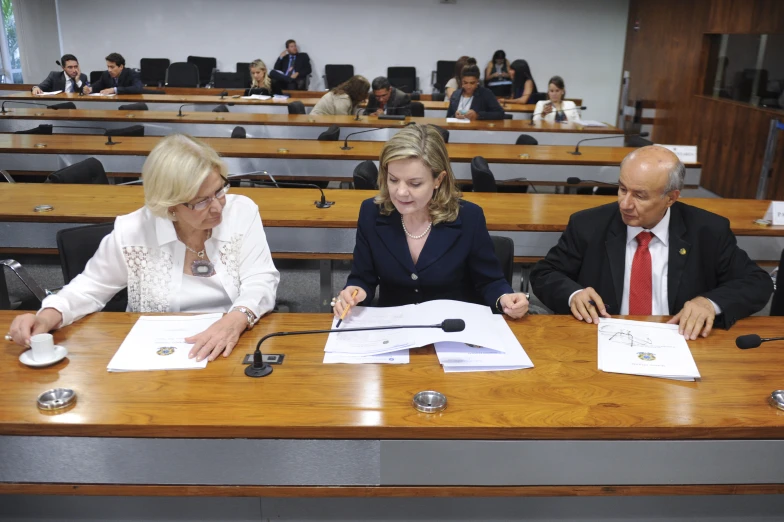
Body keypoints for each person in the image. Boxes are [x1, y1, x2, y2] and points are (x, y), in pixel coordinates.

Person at [6, 134, 280, 362]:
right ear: (169, 205)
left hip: (235, 339)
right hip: (157, 352)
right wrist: (46, 316)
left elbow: (261, 279)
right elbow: (88, 288)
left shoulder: (241, 210)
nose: (218, 205)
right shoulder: (133, 230)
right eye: (201, 201)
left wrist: (236, 318)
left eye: (220, 190)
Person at [530, 146, 773, 339]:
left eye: (639, 195)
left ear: (671, 198)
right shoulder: (588, 225)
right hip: (601, 341)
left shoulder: (708, 231)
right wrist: (574, 294)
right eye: (622, 189)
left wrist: (709, 303)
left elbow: (757, 283)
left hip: (683, 343)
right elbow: (544, 273)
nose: (625, 204)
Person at [332, 124, 529, 320]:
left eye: (414, 183)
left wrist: (505, 297)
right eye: (393, 180)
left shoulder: (469, 217)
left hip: (453, 329)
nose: (400, 192)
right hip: (395, 329)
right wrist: (355, 291)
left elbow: (490, 281)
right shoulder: (372, 212)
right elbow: (362, 277)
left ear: (438, 180)